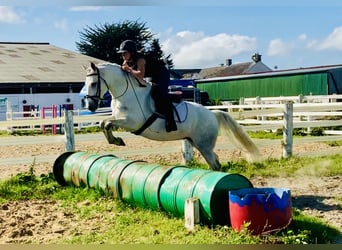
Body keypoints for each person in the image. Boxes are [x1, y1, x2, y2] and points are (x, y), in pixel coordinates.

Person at [118, 40, 177, 132]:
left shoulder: (140, 60)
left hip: (161, 74)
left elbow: (140, 75)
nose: (123, 56)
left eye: (125, 53)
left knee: (157, 93)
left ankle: (171, 122)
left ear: (132, 52)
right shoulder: (126, 61)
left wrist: (129, 69)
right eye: (122, 54)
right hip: (151, 76)